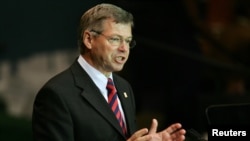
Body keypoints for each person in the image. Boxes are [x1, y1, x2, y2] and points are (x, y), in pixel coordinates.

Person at [32, 3, 186, 141]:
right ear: (89, 39)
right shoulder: (57, 95)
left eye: (127, 41)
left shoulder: (124, 87)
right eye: (115, 39)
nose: (124, 49)